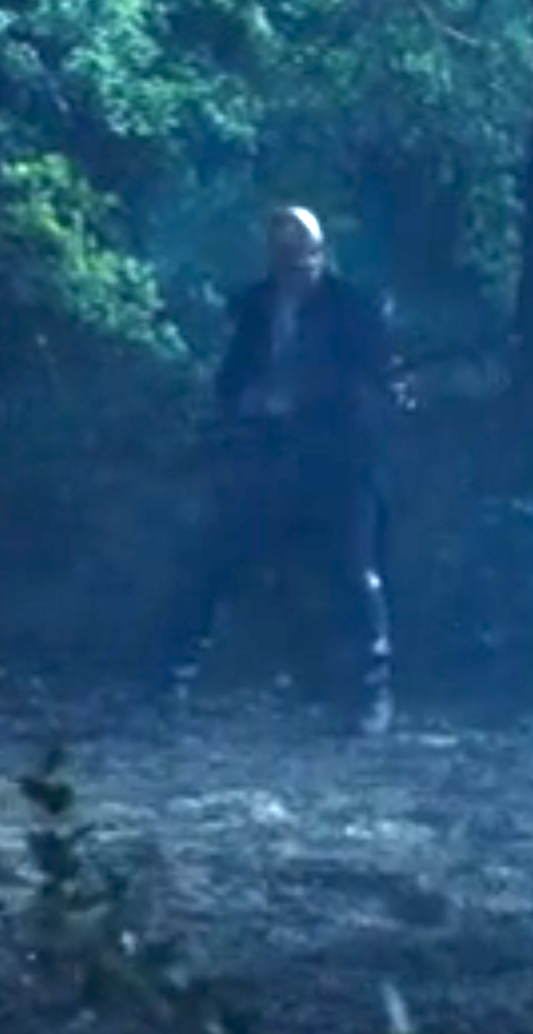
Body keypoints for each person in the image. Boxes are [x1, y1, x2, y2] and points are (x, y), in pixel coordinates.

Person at [156, 206, 400, 737]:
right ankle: (170, 680)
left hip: (338, 459)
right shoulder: (256, 307)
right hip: (267, 454)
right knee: (214, 555)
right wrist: (247, 404)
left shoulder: (355, 309)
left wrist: (309, 401)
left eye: (305, 254)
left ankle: (371, 693)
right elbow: (231, 378)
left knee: (353, 570)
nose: (297, 266)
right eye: (286, 256)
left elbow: (372, 385)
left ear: (322, 254)